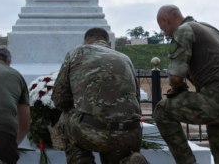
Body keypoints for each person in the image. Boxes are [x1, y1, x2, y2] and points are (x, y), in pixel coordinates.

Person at [154, 5, 219, 164]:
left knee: (162, 110)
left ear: (166, 20)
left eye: (163, 29)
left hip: (217, 100)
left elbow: (175, 78)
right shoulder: (210, 29)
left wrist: (178, 89)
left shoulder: (183, 30)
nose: (166, 33)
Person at [52, 27, 148, 164]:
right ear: (109, 44)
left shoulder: (76, 53)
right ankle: (128, 161)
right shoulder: (125, 58)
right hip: (131, 132)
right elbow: (136, 100)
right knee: (118, 149)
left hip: (94, 131)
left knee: (65, 119)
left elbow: (60, 99)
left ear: (86, 42)